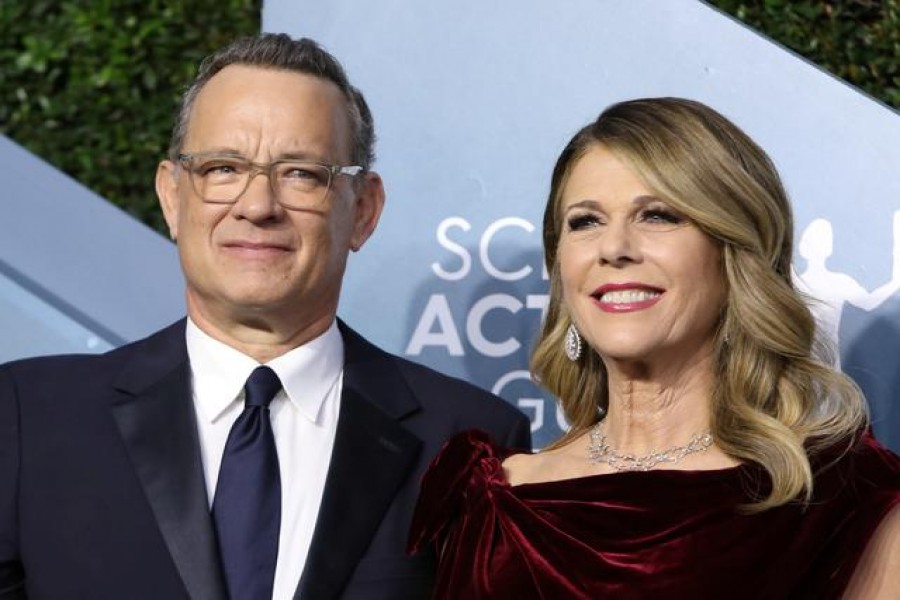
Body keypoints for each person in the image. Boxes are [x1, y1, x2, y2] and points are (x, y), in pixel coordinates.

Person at [0, 34, 530, 600]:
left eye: (302, 173)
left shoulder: (471, 441)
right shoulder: (28, 417)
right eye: (224, 168)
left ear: (364, 211)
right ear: (172, 197)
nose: (258, 206)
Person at [408, 97, 900, 599]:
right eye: (585, 222)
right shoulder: (493, 500)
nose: (614, 247)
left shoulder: (844, 501)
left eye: (658, 216)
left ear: (734, 255)